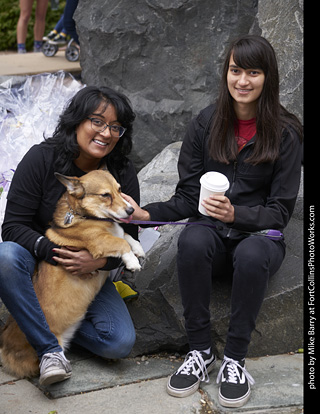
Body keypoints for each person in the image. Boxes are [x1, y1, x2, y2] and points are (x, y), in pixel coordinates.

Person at [123, 35, 303, 408]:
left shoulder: (286, 132)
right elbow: (189, 197)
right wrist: (146, 215)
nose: (243, 81)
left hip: (260, 237)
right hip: (212, 236)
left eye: (253, 72)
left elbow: (280, 212)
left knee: (253, 253)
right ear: (226, 73)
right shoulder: (206, 123)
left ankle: (235, 360)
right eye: (236, 70)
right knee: (192, 239)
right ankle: (200, 352)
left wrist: (238, 214)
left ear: (268, 78)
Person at [0, 86, 139, 386]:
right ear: (77, 121)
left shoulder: (121, 173)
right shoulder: (41, 158)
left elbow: (129, 237)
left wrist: (96, 264)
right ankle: (50, 350)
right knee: (5, 256)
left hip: (86, 270)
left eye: (116, 127)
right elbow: (12, 227)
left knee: (119, 342)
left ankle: (39, 327)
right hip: (37, 258)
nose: (106, 133)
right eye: (97, 121)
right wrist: (55, 253)